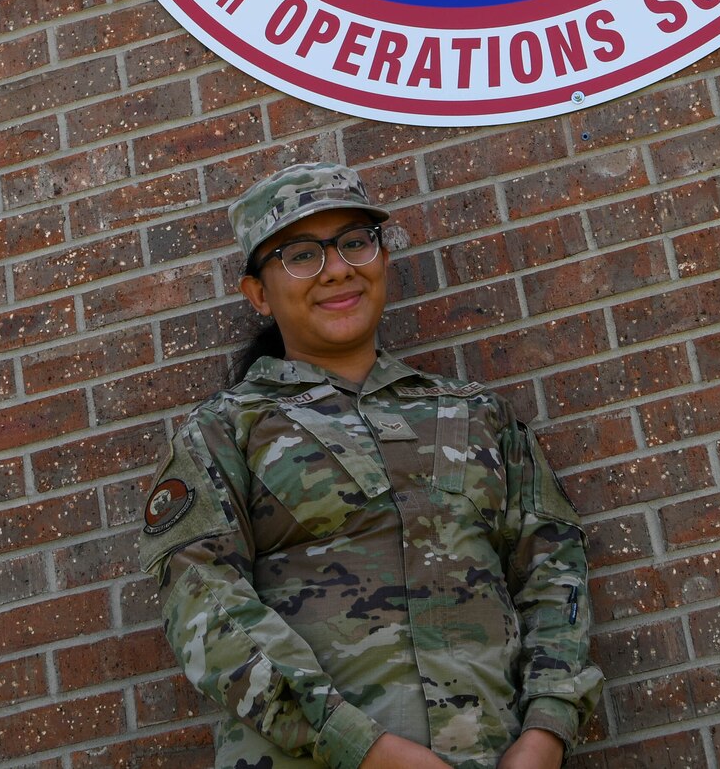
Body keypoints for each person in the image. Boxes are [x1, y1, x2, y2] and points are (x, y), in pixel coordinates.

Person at [140, 161, 601, 769]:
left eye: (356, 242)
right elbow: (204, 605)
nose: (337, 269)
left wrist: (546, 731)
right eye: (301, 255)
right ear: (258, 293)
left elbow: (554, 573)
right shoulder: (224, 432)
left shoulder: (478, 415)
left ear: (382, 256)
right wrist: (361, 745)